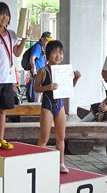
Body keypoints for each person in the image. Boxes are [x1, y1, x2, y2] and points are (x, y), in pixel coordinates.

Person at [0, 1, 30, 150]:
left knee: (3, 110)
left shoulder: (12, 34)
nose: (5, 17)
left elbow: (17, 53)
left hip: (8, 79)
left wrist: (25, 39)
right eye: (2, 13)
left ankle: (0, 139)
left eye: (7, 14)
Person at [34, 40, 81, 173]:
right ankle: (38, 163)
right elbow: (36, 88)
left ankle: (61, 163)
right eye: (55, 53)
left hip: (59, 106)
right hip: (47, 106)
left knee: (61, 137)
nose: (58, 56)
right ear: (48, 54)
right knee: (44, 137)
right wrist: (48, 87)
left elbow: (68, 88)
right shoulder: (43, 71)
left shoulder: (63, 70)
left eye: (60, 53)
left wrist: (76, 78)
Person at [28, 31, 53, 102]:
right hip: (37, 72)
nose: (48, 42)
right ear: (42, 38)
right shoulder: (38, 46)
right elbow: (32, 58)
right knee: (38, 91)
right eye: (47, 40)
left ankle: (37, 106)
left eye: (49, 40)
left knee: (40, 92)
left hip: (42, 72)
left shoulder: (44, 48)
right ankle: (36, 107)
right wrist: (34, 68)